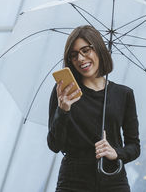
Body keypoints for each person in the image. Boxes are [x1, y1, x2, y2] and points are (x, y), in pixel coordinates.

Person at [47, 25, 140, 191]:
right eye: (74, 55)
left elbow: (134, 147)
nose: (81, 58)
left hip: (113, 181)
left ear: (98, 49)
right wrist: (63, 111)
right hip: (73, 182)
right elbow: (54, 145)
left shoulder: (123, 94)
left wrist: (116, 153)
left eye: (86, 50)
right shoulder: (65, 92)